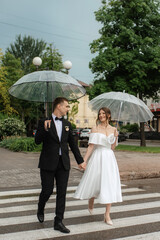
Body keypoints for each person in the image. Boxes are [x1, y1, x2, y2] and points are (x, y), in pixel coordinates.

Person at [35, 97, 86, 234]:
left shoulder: (67, 124)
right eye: (66, 106)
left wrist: (80, 161)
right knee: (47, 190)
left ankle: (59, 221)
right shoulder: (44, 122)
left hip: (63, 163)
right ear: (58, 106)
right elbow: (37, 141)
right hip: (48, 162)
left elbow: (73, 145)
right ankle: (40, 207)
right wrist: (44, 129)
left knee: (62, 193)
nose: (68, 108)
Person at [74, 107, 122, 225]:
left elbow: (112, 148)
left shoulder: (113, 129)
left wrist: (116, 137)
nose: (101, 115)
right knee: (95, 180)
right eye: (99, 114)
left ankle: (107, 214)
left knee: (109, 183)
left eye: (103, 113)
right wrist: (83, 161)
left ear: (108, 115)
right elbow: (91, 146)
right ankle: (92, 198)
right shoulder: (95, 128)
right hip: (97, 156)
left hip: (109, 158)